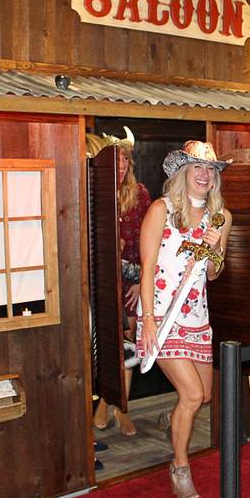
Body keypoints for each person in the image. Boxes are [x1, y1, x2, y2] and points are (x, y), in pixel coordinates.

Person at [137, 140, 233, 498]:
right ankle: (180, 467)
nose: (204, 175)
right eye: (197, 168)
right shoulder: (161, 210)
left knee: (203, 396)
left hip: (197, 316)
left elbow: (213, 274)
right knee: (192, 395)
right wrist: (147, 321)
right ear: (182, 173)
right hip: (162, 316)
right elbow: (146, 269)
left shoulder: (219, 217)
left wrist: (215, 247)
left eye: (210, 170)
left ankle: (173, 415)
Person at [92, 129, 151, 437]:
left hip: (131, 276)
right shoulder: (93, 189)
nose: (121, 167)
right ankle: (106, 398)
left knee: (128, 339)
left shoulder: (139, 193)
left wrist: (140, 279)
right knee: (104, 340)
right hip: (99, 278)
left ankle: (121, 407)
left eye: (125, 161)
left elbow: (149, 239)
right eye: (115, 161)